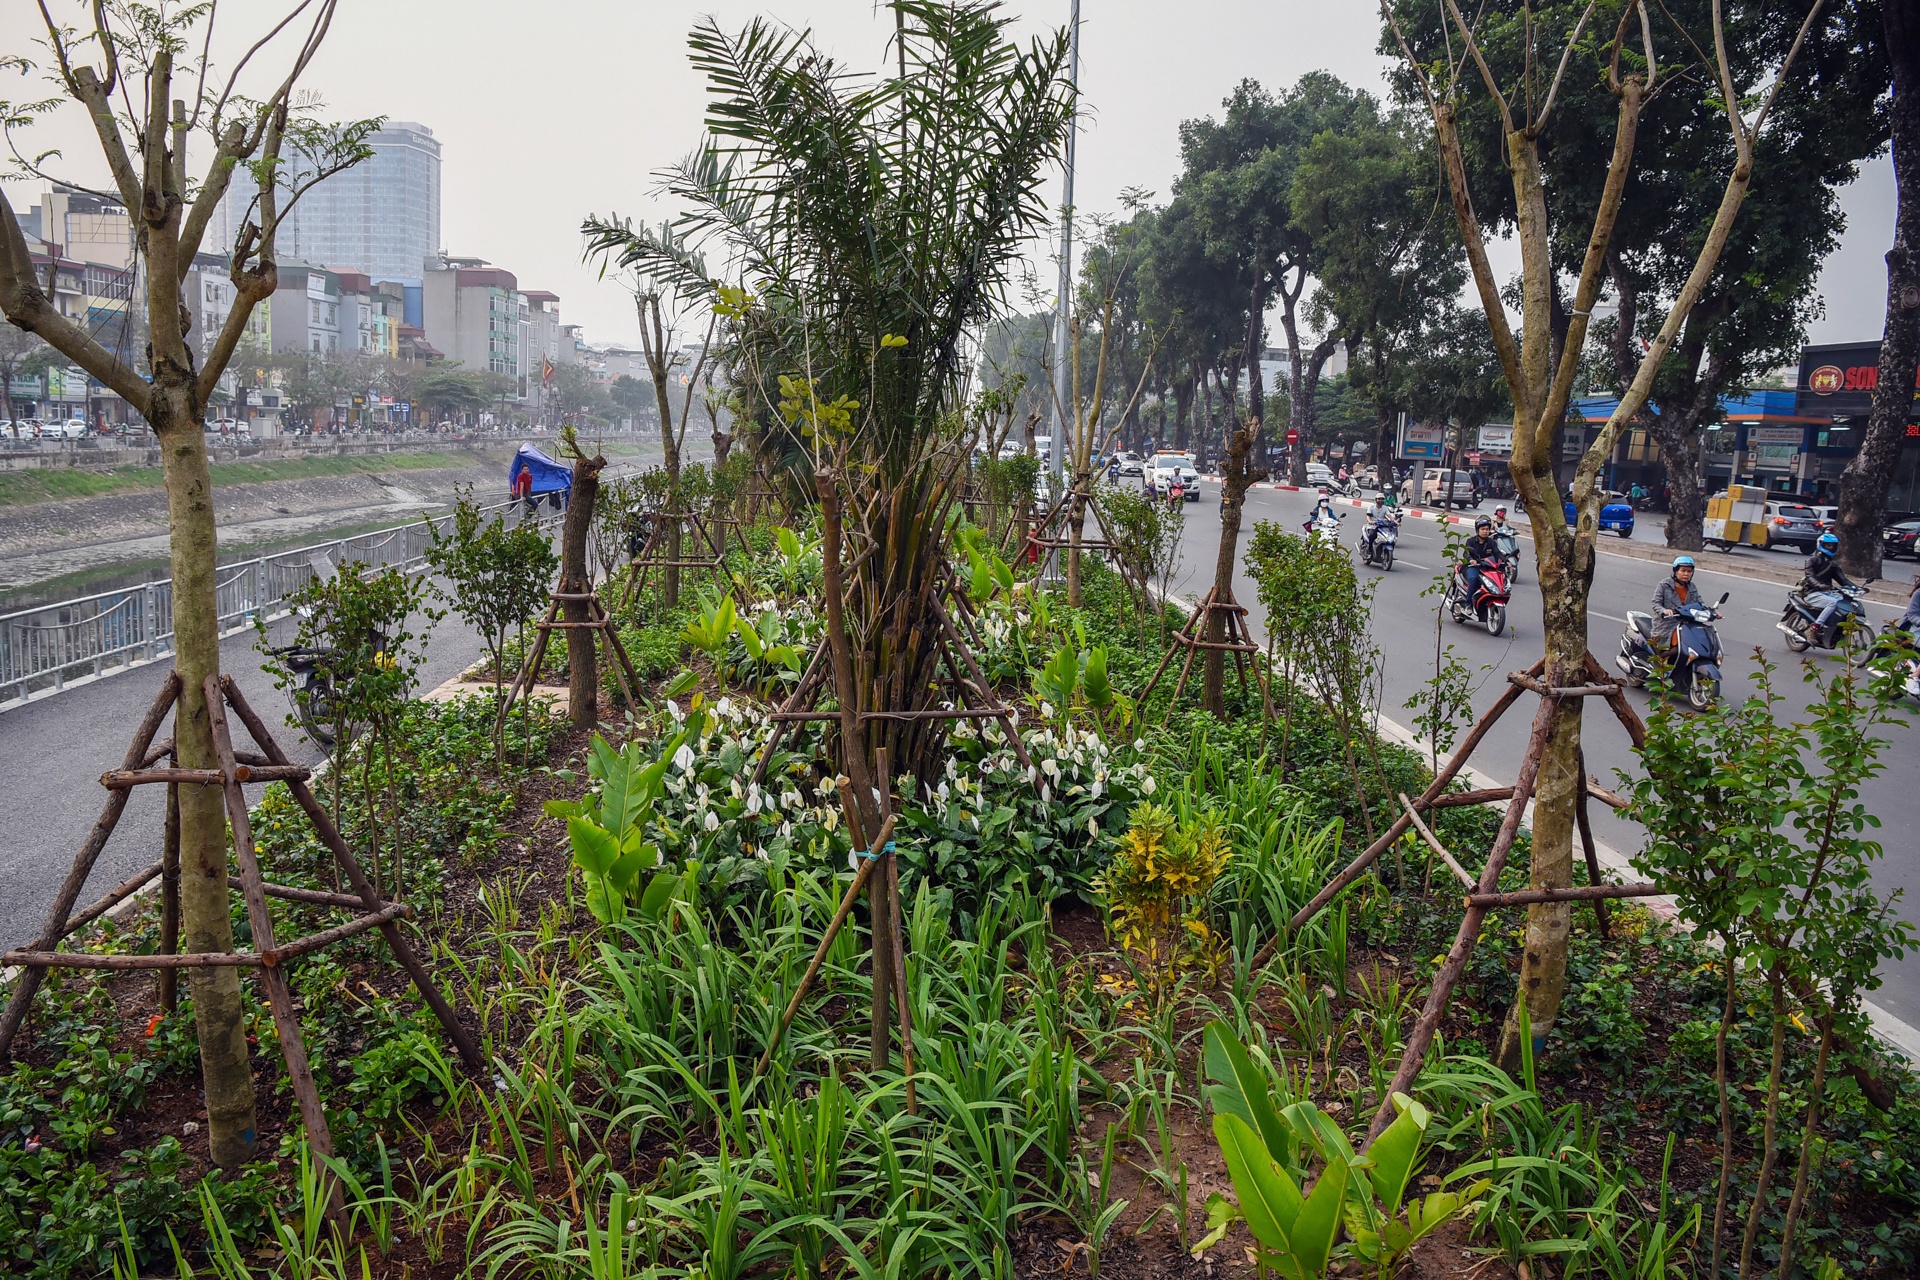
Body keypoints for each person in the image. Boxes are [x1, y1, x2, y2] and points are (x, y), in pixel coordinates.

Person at [1801, 532, 1858, 646]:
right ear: (1821, 545)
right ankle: (1814, 628)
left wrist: (1856, 588)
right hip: (1812, 593)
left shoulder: (1833, 564)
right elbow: (1810, 577)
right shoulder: (1812, 561)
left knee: (1846, 602)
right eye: (1828, 545)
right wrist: (1820, 585)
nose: (1831, 547)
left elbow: (1843, 580)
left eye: (1833, 545)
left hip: (1827, 593)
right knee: (1833, 603)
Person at [1651, 555, 1700, 646]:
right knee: (1670, 649)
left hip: (1686, 625)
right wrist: (1664, 611)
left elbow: (1700, 603)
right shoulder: (1664, 585)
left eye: (1689, 571)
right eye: (1683, 570)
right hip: (1666, 624)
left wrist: (1712, 611)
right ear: (1675, 571)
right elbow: (1655, 603)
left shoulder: (1692, 587)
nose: (1686, 574)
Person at [1460, 516, 1501, 601]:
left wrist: (1506, 561)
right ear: (1477, 530)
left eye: (1487, 529)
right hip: (1471, 567)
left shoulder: (1491, 542)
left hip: (1486, 568)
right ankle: (1468, 604)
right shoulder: (1470, 541)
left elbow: (1497, 553)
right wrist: (1471, 560)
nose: (1485, 531)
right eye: (1483, 529)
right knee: (1474, 578)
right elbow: (1466, 553)